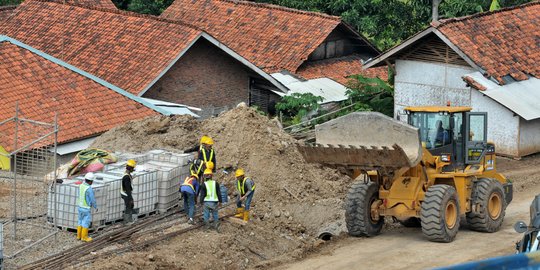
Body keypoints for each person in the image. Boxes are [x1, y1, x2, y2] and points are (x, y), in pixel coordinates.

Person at [199, 167, 222, 232]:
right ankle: (216, 225)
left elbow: (202, 195)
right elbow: (218, 193)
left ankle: (207, 226)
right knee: (215, 214)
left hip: (206, 202)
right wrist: (220, 201)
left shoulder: (204, 184)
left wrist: (201, 202)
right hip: (214, 202)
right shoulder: (216, 183)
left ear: (205, 176)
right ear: (211, 175)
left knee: (206, 214)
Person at [77, 172, 98, 242]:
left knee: (80, 221)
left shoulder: (81, 186)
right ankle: (84, 237)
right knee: (85, 222)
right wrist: (95, 206)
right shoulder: (89, 189)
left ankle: (78, 236)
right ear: (91, 181)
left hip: (80, 207)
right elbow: (92, 199)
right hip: (86, 208)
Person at [121, 159, 136, 225]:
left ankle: (129, 219)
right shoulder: (126, 177)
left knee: (130, 206)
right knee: (129, 206)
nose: (134, 169)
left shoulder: (127, 174)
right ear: (131, 168)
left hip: (126, 193)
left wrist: (132, 178)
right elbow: (127, 189)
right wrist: (131, 198)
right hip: (126, 193)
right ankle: (127, 221)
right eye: (133, 168)